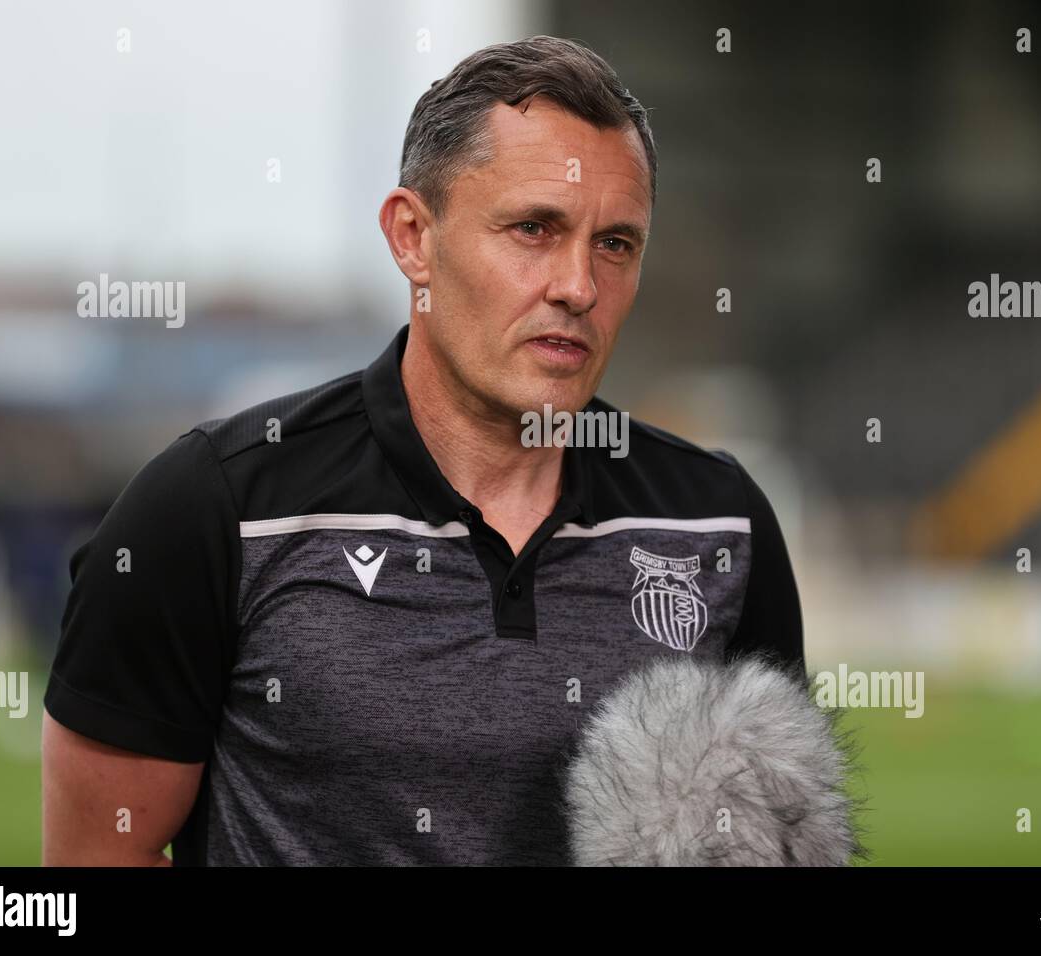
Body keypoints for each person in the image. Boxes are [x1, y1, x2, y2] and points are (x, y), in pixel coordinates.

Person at [41, 35, 805, 866]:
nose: (579, 286)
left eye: (615, 244)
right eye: (534, 229)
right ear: (413, 237)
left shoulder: (719, 523)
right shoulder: (210, 506)